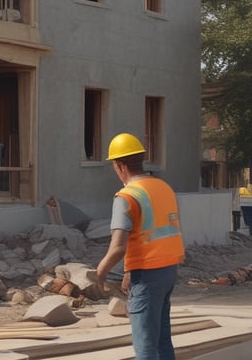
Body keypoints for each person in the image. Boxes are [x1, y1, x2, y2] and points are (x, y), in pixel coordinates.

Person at [95, 133, 184, 360]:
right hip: (169, 270)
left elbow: (118, 247)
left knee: (145, 345)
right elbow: (150, 231)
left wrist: (99, 274)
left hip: (147, 276)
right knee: (162, 340)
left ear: (119, 165)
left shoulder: (127, 197)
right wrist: (128, 271)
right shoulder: (163, 187)